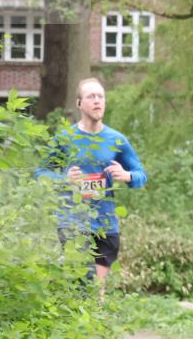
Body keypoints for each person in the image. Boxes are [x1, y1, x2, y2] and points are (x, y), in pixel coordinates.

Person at [36, 77, 146, 293]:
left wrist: (126, 175)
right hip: (73, 220)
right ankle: (82, 322)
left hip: (105, 223)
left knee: (97, 287)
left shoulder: (116, 140)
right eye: (91, 96)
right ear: (79, 104)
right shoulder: (65, 138)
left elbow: (141, 175)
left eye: (101, 96)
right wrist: (65, 180)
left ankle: (93, 323)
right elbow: (41, 174)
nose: (97, 101)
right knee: (85, 282)